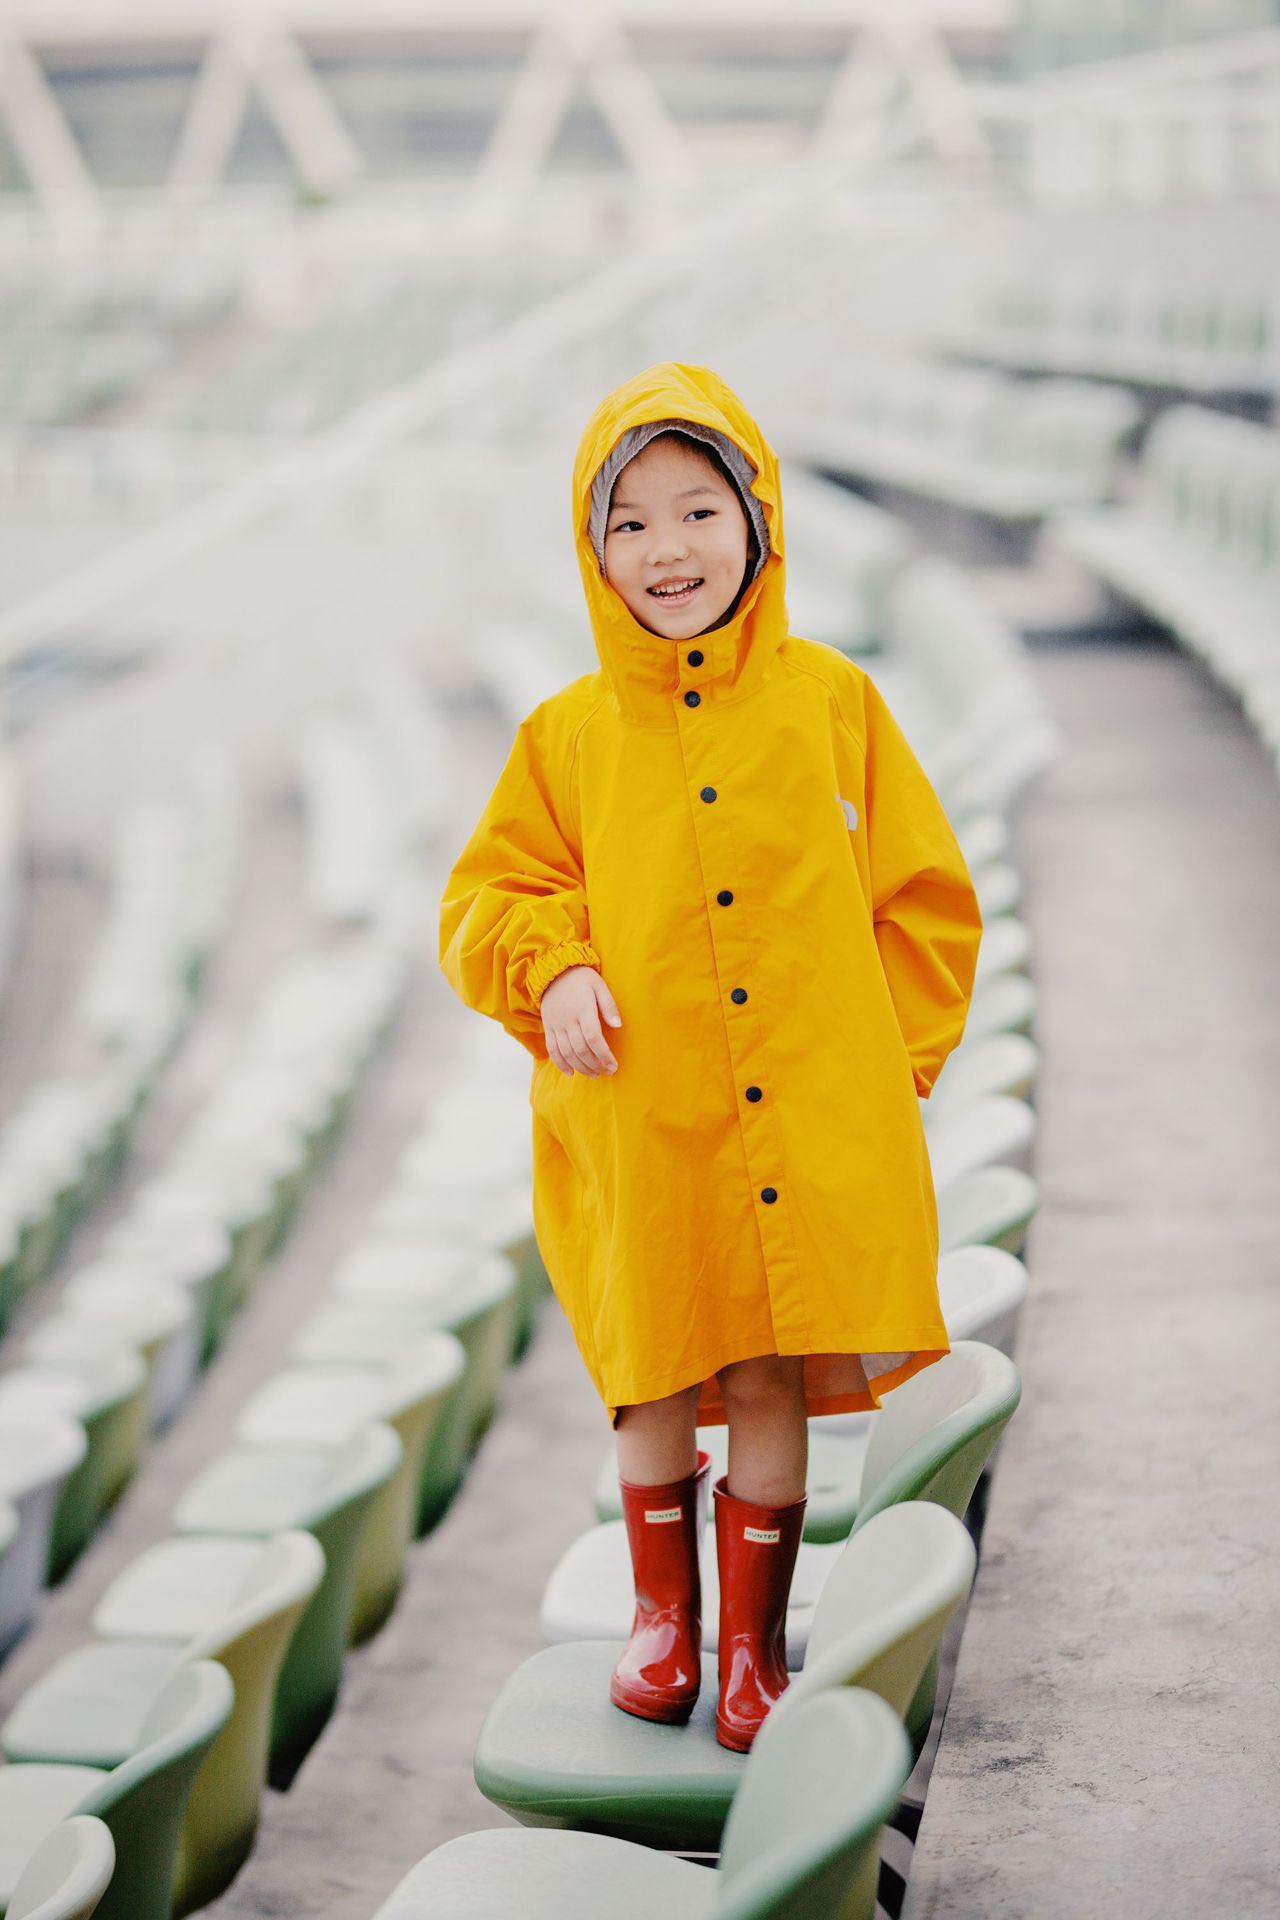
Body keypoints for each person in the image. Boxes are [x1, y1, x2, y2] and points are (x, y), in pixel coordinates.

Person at [438, 361, 983, 1752]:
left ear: (760, 519)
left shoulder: (832, 703)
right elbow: (485, 900)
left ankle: (752, 1651)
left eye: (697, 510)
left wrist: (885, 1070)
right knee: (657, 1373)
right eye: (629, 522)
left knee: (766, 1379)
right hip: (647, 1126)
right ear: (591, 547)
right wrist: (550, 965)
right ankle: (662, 1623)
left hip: (797, 1123)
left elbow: (925, 902)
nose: (667, 549)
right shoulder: (563, 736)